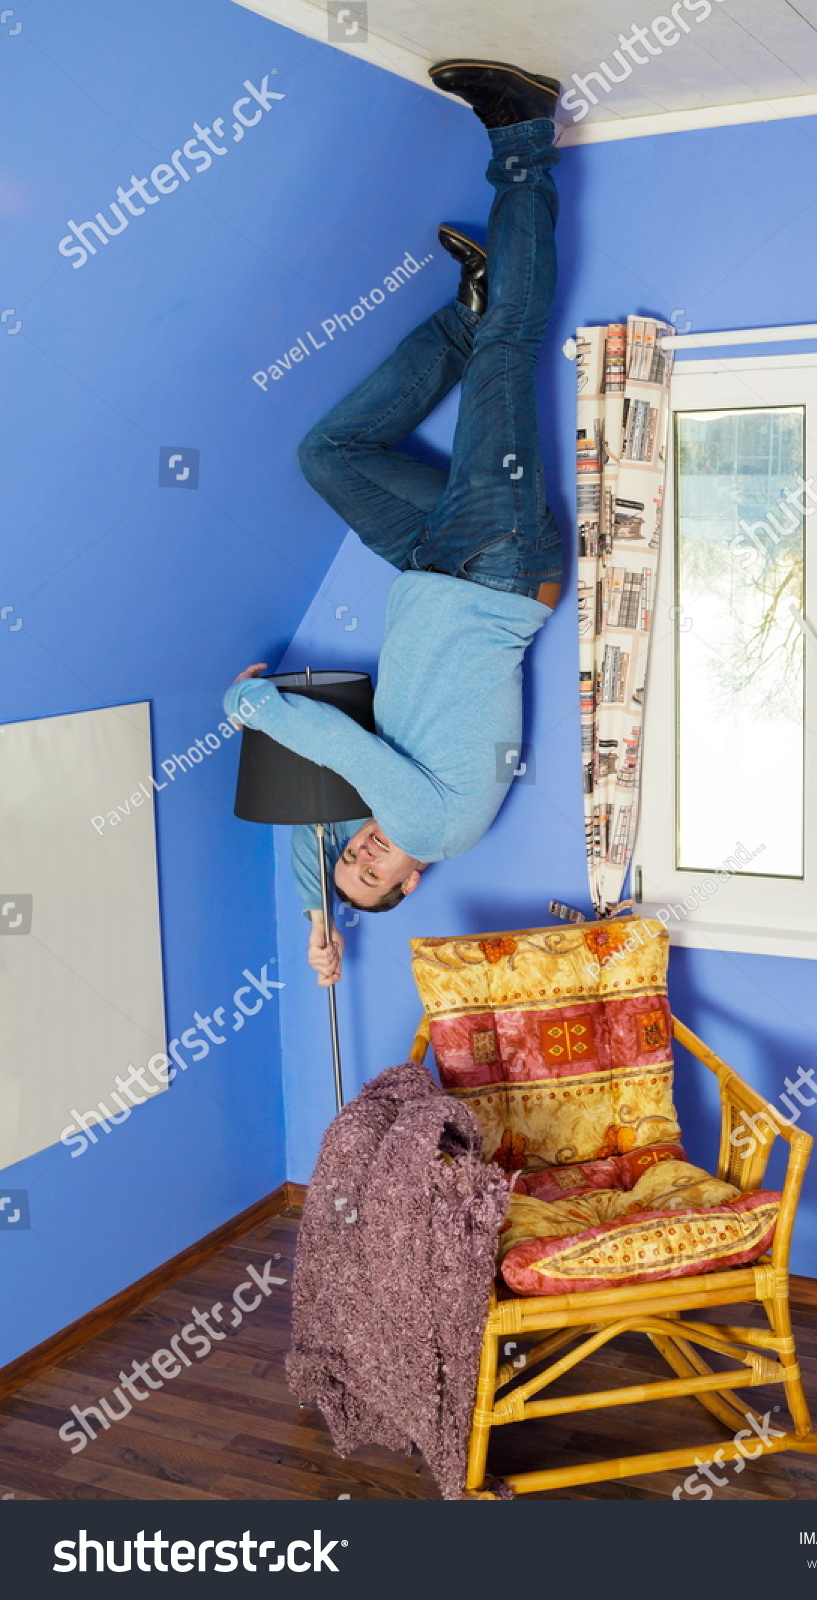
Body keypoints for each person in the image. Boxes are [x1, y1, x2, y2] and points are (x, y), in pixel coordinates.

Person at [224, 60, 563, 988]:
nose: (365, 851)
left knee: (327, 456)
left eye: (352, 857)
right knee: (511, 361)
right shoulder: (434, 826)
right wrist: (243, 709)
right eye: (374, 872)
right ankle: (524, 139)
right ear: (413, 881)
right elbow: (336, 747)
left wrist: (317, 917)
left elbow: (319, 822)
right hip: (491, 568)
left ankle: (466, 312)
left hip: (431, 560)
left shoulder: (399, 822)